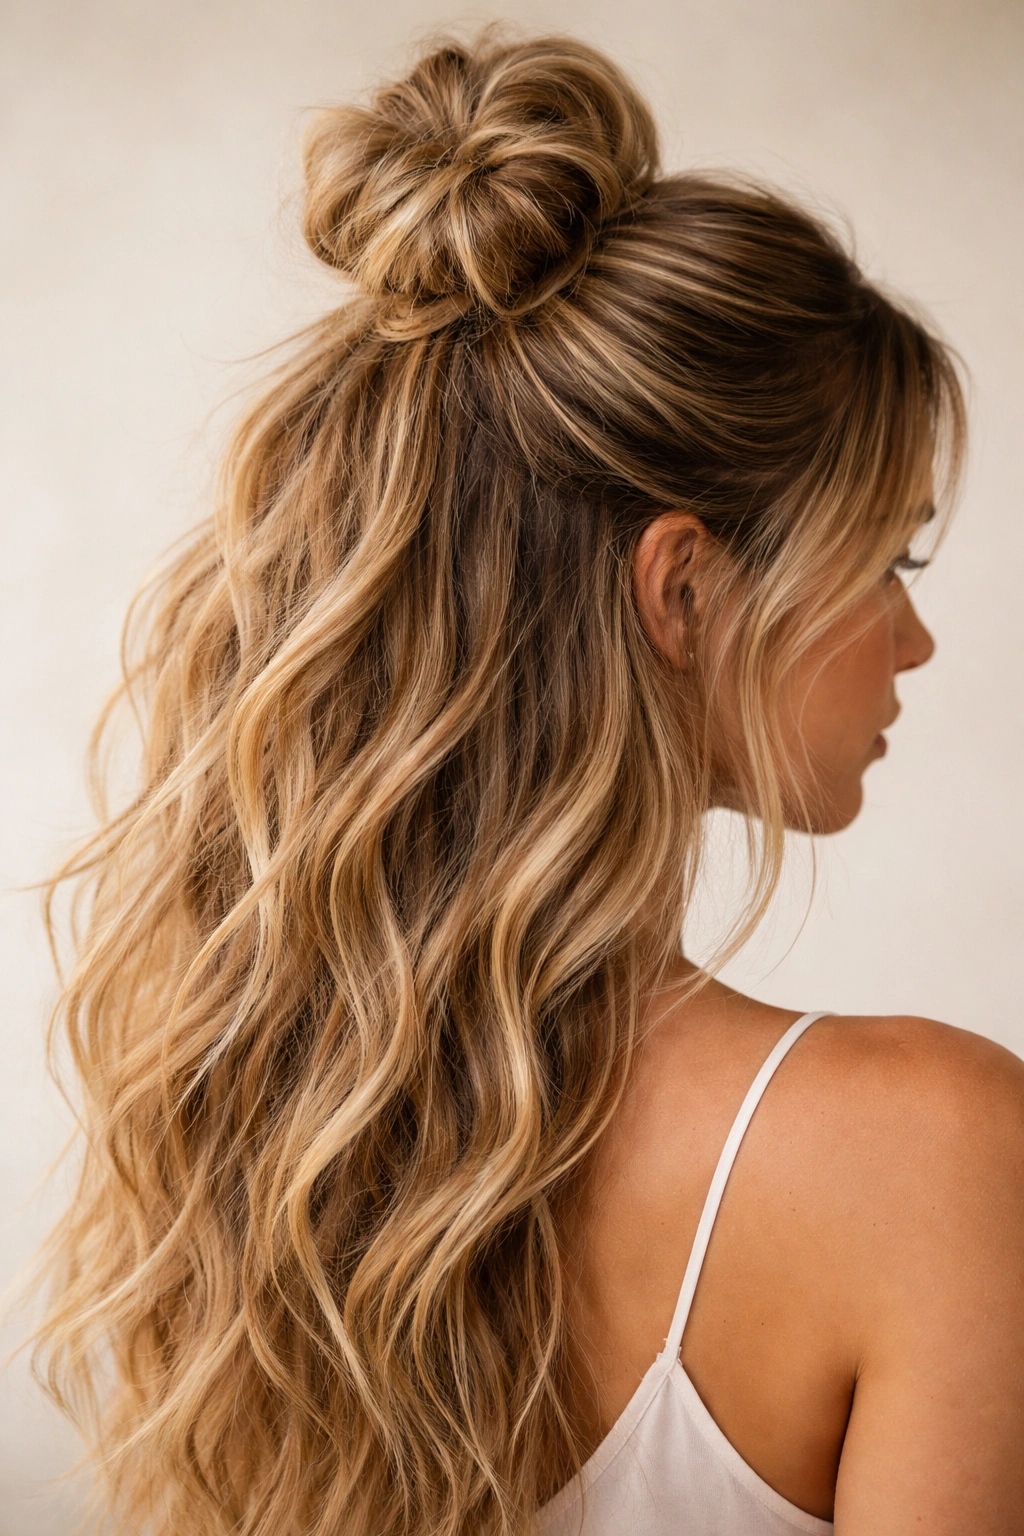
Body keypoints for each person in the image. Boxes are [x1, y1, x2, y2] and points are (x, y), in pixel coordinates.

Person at [35, 30, 1024, 1536]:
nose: (916, 637)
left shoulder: (260, 1139)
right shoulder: (933, 1155)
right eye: (888, 559)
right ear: (685, 590)